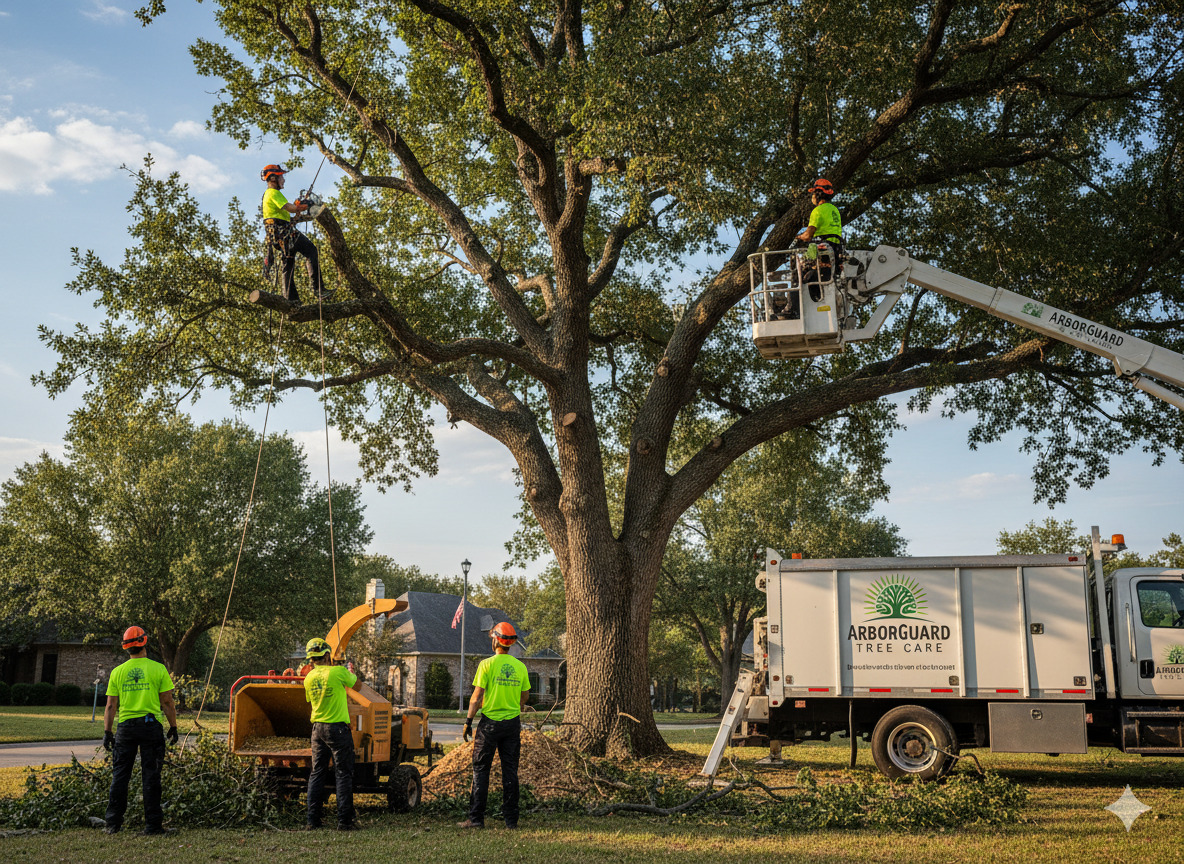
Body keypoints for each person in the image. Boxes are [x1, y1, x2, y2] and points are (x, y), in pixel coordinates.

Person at [103, 625, 178, 836]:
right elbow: (167, 702)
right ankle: (153, 826)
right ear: (144, 642)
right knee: (151, 776)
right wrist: (173, 726)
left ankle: (112, 824)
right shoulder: (158, 669)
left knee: (120, 776)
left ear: (126, 648)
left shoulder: (117, 672)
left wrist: (108, 732)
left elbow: (110, 706)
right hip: (150, 726)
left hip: (125, 728)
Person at [457, 622, 530, 830]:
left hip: (489, 725)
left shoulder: (486, 665)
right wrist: (516, 706)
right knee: (510, 771)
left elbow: (476, 697)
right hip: (512, 725)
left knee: (481, 770)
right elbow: (524, 696)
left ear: (496, 640)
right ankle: (511, 821)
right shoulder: (520, 667)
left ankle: (476, 819)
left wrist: (468, 721)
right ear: (510, 643)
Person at [303, 637, 360, 831]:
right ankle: (344, 821)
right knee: (343, 773)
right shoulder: (338, 672)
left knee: (317, 773)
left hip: (317, 730)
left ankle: (313, 821)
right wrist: (348, 671)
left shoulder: (308, 678)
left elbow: (310, 699)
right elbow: (356, 685)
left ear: (311, 658)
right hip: (337, 729)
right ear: (327, 654)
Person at [260, 163, 332, 305]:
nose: (284, 180)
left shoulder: (270, 195)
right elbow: (290, 208)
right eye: (281, 177)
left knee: (289, 263)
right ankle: (319, 290)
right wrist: (305, 205)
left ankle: (291, 300)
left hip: (280, 236)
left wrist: (298, 210)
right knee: (311, 250)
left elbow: (289, 216)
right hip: (284, 234)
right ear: (273, 178)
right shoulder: (273, 193)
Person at [795, 177, 843, 301]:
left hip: (822, 252)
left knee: (799, 276)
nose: (812, 198)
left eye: (812, 194)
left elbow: (808, 235)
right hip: (835, 250)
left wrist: (798, 237)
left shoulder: (817, 211)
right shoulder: (834, 210)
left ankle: (792, 307)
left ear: (817, 194)